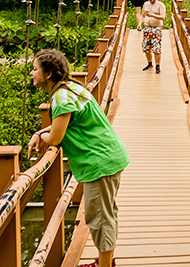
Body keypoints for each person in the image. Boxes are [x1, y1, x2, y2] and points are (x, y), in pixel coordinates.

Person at [27, 49, 129, 267]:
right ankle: (105, 261)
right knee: (104, 214)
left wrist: (41, 135)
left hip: (99, 161)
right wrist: (41, 133)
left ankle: (105, 265)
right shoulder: (70, 87)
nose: (31, 73)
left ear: (48, 75)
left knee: (100, 218)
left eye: (35, 69)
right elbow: (63, 125)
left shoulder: (61, 96)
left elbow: (55, 137)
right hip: (107, 157)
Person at [141, 0, 166, 74]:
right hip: (147, 27)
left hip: (156, 28)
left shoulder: (160, 5)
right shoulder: (146, 4)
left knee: (156, 48)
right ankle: (150, 64)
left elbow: (163, 17)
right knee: (146, 47)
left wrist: (153, 15)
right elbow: (143, 15)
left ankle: (157, 66)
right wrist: (139, 24)